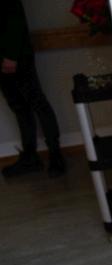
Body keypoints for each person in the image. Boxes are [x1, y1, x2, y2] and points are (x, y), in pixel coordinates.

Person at [0, 0, 65, 178]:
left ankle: (56, 156)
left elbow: (15, 19)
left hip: (16, 56)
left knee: (37, 102)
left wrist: (11, 55)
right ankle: (30, 158)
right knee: (19, 107)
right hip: (4, 57)